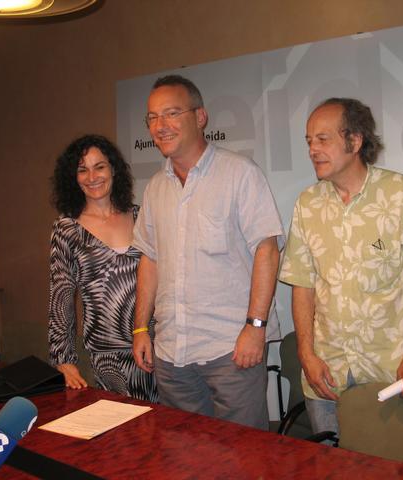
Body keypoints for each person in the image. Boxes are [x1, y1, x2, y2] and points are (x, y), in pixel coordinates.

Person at [278, 98, 403, 435]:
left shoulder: (401, 195)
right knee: (330, 461)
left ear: (355, 141)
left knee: (389, 461)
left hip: (390, 374)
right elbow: (302, 285)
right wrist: (306, 356)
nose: (312, 150)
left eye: (322, 139)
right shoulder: (308, 204)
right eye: (309, 141)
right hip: (326, 376)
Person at [131, 75, 284, 429]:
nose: (160, 125)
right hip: (172, 355)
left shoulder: (239, 173)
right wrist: (140, 329)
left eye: (171, 113)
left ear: (200, 117)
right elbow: (150, 259)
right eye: (152, 117)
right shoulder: (155, 188)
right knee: (184, 452)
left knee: (243, 453)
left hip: (231, 351)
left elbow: (267, 250)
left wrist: (255, 327)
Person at [49, 134, 157, 402]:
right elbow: (61, 296)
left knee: (169, 423)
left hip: (156, 345)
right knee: (127, 425)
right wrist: (63, 358)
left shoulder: (142, 216)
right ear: (73, 177)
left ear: (114, 169)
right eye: (82, 170)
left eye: (99, 167)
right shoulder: (66, 229)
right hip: (109, 356)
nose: (92, 177)